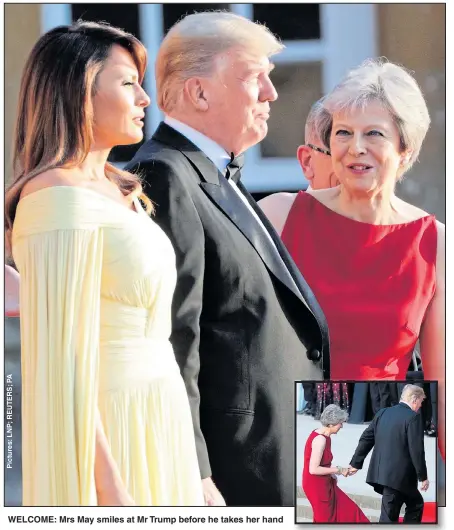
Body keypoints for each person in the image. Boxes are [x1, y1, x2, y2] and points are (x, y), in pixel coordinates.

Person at [125, 11, 329, 506]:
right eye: (254, 78)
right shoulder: (165, 174)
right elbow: (173, 336)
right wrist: (193, 470)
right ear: (199, 92)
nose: (271, 94)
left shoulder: (218, 175)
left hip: (275, 455)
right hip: (230, 471)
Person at [5, 21, 204, 506]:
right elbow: (61, 360)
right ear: (79, 92)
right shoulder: (55, 195)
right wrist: (109, 488)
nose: (145, 99)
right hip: (108, 425)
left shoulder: (124, 193)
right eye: (127, 83)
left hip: (161, 411)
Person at [259, 58, 445, 458]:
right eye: (343, 132)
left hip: (382, 438)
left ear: (405, 149)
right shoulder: (279, 216)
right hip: (279, 438)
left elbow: (442, 378)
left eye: (373, 133)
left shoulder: (434, 241)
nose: (355, 147)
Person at [349, 384, 429, 523]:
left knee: (412, 504)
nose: (420, 406)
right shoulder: (413, 417)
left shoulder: (383, 412)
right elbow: (417, 450)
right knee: (396, 513)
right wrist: (423, 476)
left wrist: (356, 462)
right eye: (421, 402)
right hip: (399, 478)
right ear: (414, 400)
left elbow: (366, 438)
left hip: (383, 474)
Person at [302, 404, 369, 523]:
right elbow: (313, 469)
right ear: (331, 424)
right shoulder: (320, 440)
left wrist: (334, 474)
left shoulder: (327, 436)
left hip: (325, 482)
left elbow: (324, 464)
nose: (342, 426)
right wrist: (338, 470)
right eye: (340, 423)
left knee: (351, 511)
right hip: (316, 486)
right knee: (326, 519)